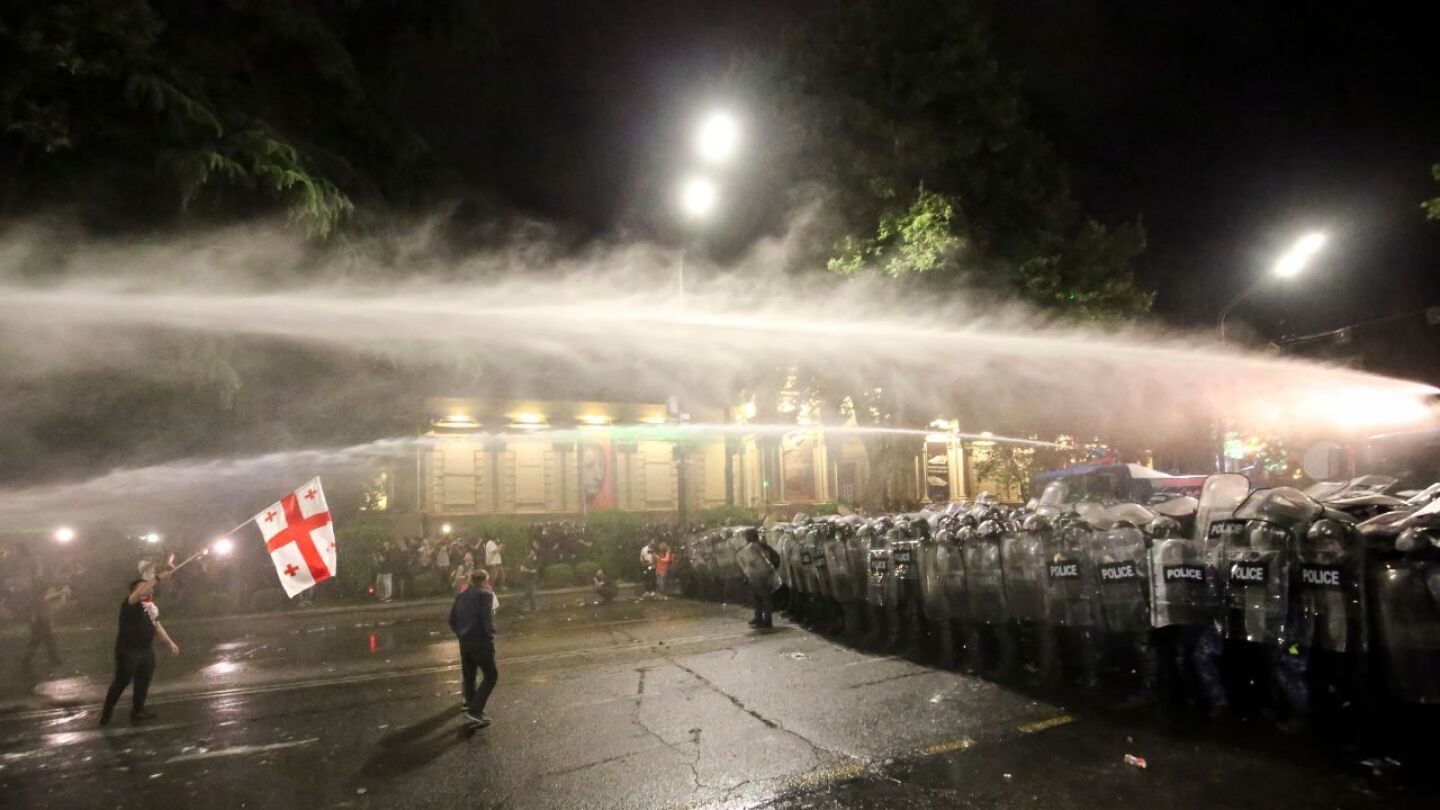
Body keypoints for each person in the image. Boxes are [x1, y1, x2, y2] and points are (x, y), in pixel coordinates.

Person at [101, 570, 181, 726]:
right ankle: (106, 713)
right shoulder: (129, 603)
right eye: (143, 587)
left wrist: (169, 642)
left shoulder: (149, 607)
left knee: (143, 681)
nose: (149, 589)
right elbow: (140, 592)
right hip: (128, 651)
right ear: (135, 591)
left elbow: (157, 626)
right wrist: (157, 578)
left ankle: (138, 711)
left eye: (149, 587)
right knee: (121, 682)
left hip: (145, 650)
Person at [449, 569, 498, 728]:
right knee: (491, 675)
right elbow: (486, 620)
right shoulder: (485, 595)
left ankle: (471, 707)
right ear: (485, 580)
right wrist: (490, 635)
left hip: (464, 641)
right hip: (480, 641)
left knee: (469, 676)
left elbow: (452, 620)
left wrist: (461, 634)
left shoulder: (461, 596)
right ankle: (476, 710)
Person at [518, 540, 541, 613]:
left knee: (530, 592)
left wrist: (533, 571)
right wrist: (530, 571)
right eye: (535, 544)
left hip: (532, 576)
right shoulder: (530, 556)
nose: (537, 546)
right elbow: (522, 568)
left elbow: (534, 565)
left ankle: (532, 607)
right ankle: (522, 604)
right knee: (529, 593)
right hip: (530, 576)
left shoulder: (534, 555)